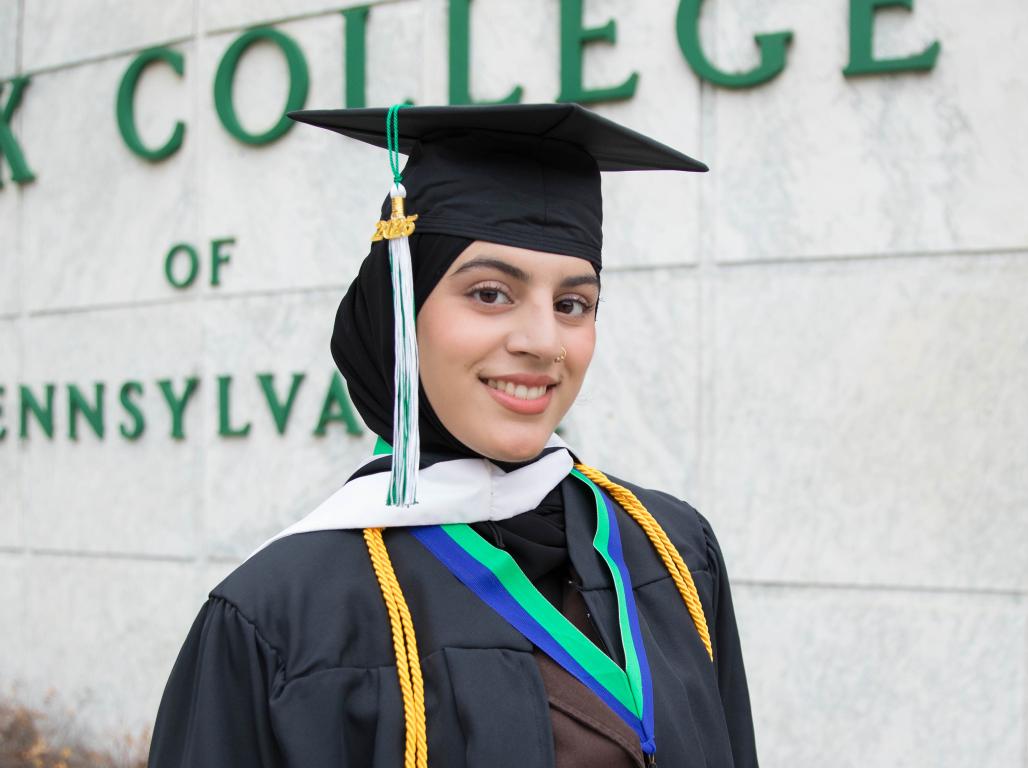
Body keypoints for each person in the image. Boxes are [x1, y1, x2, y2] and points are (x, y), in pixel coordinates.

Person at [147, 103, 758, 768]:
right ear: (398, 311)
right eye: (491, 293)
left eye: (573, 304)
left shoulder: (670, 547)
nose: (543, 342)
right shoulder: (280, 618)